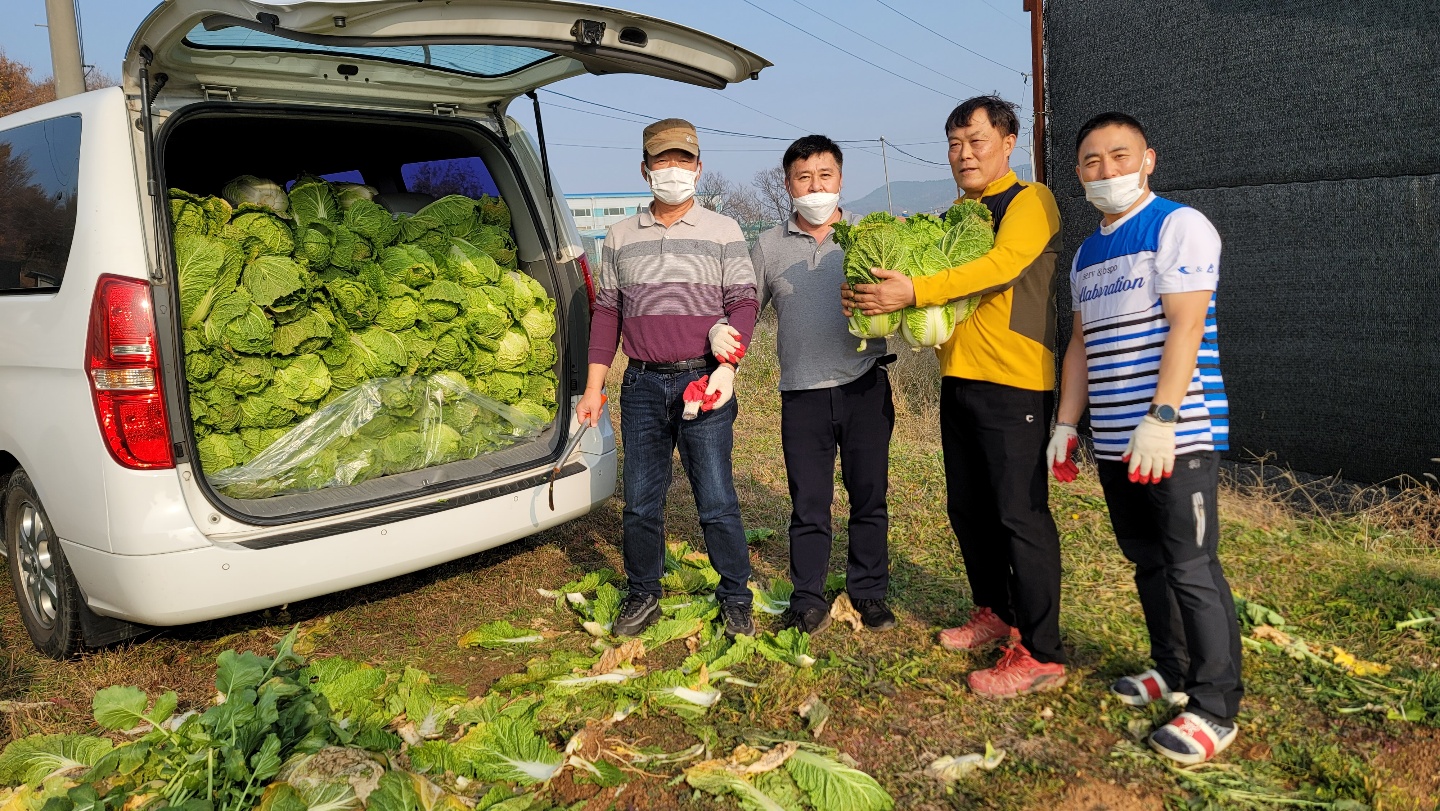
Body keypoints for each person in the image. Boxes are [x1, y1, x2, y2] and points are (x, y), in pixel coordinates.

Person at [843, 96, 1066, 698]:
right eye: (954, 144)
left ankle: (1042, 649)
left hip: (1016, 379)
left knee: (1020, 514)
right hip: (960, 376)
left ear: (1008, 141)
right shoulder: (954, 214)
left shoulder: (1030, 202)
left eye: (976, 141)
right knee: (969, 509)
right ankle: (993, 610)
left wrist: (913, 290)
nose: (964, 154)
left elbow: (1000, 266)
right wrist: (871, 299)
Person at [1049, 111, 1242, 764]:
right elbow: (1080, 345)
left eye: (1119, 155)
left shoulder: (1177, 226)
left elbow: (1185, 327)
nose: (1107, 170)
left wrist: (1162, 416)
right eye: (1092, 161)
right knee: (1148, 558)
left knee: (1192, 566)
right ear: (1078, 173)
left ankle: (1215, 707)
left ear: (1148, 159)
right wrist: (1068, 422)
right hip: (1115, 440)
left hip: (1174, 434)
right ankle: (1171, 666)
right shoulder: (1086, 251)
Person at [576, 118, 759, 639]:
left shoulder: (723, 230)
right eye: (662, 161)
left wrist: (729, 364)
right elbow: (606, 314)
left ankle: (736, 596)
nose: (672, 170)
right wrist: (594, 388)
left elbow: (744, 303)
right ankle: (643, 593)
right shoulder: (618, 236)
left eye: (683, 160)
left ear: (699, 168)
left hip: (704, 383)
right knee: (639, 499)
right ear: (644, 169)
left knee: (716, 496)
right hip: (641, 386)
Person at [737, 135, 896, 635]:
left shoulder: (870, 236)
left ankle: (868, 592)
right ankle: (807, 597)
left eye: (824, 176)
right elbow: (745, 308)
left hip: (864, 386)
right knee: (808, 502)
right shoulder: (767, 244)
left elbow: (902, 303)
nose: (815, 186)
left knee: (869, 496)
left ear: (840, 179)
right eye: (803, 178)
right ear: (788, 185)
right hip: (801, 394)